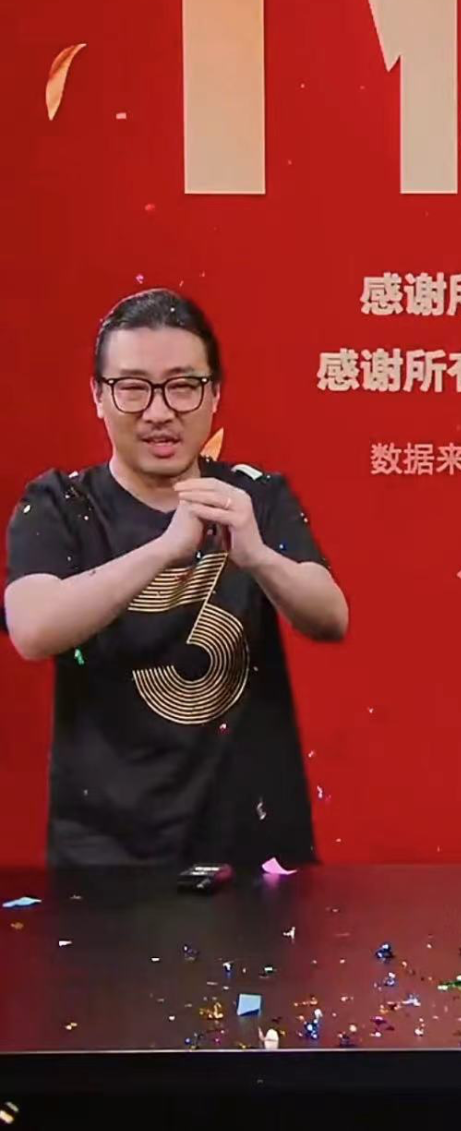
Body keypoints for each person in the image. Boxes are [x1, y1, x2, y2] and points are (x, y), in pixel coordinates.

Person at [3, 289, 348, 869]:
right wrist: (167, 549)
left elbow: (331, 617)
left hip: (249, 840)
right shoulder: (60, 503)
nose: (159, 412)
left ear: (214, 395)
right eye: (133, 387)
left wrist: (257, 556)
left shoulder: (253, 497)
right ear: (98, 396)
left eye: (183, 386)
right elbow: (33, 630)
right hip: (105, 851)